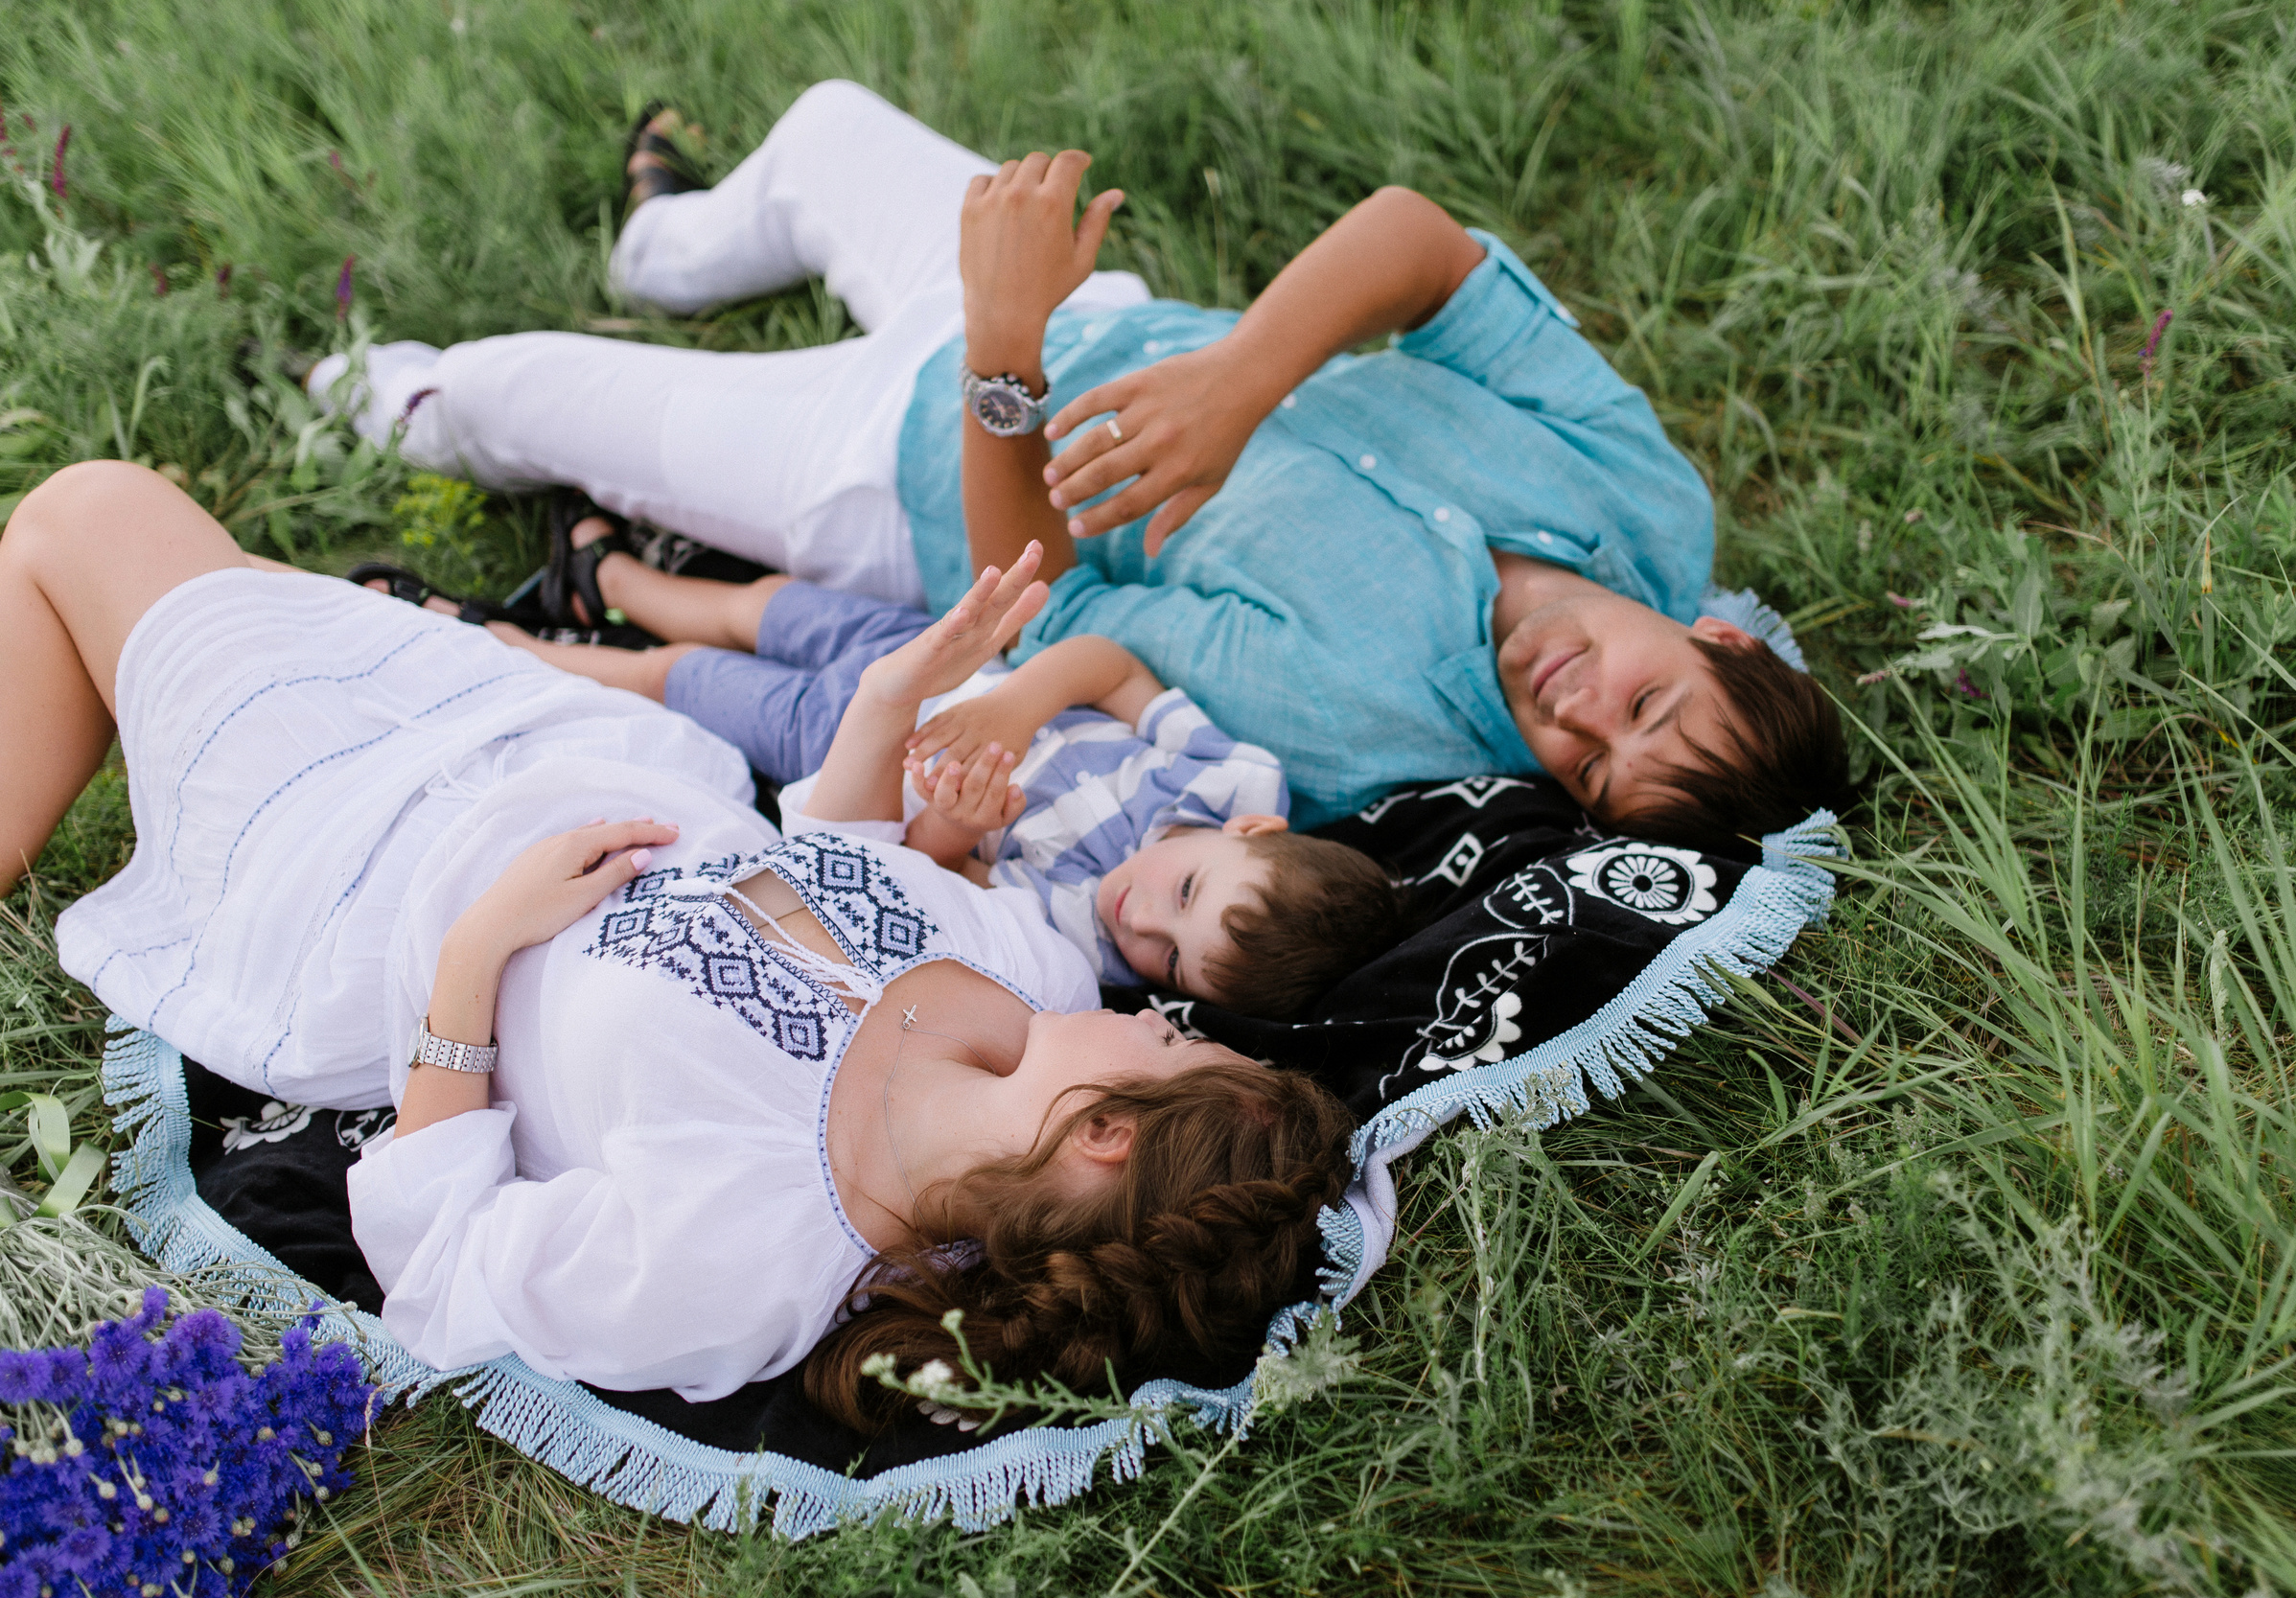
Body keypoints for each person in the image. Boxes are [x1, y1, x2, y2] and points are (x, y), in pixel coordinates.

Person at [0, 460, 1352, 1426]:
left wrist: (474, 957)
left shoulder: (749, 1255)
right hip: (557, 732)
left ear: (1106, 1130)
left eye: (1172, 1041)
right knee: (183, 566)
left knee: (86, 516)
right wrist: (887, 706)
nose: (1157, 1017)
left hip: (368, 878)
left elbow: (441, 1264)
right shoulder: (1036, 972)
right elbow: (819, 848)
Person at [311, 80, 1846, 850]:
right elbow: (1423, 246)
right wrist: (1240, 377)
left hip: (891, 456)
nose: (1571, 711)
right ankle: (663, 244)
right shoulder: (1649, 510)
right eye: (1643, 699)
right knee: (835, 122)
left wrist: (1004, 343)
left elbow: (1029, 599)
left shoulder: (1368, 719)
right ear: (1713, 632)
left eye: (1584, 765)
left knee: (486, 393)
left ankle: (328, 380)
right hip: (1104, 307)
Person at [764, 539, 1406, 1013]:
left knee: (699, 681)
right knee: (765, 610)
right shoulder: (1228, 779)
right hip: (948, 663)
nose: (1145, 924)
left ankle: (659, 662)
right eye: (1186, 891)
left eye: (1175, 961)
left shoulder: (1085, 943)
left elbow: (936, 873)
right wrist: (1018, 707)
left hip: (846, 758)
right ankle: (658, 581)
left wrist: (957, 824)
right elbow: (1113, 669)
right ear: (1253, 828)